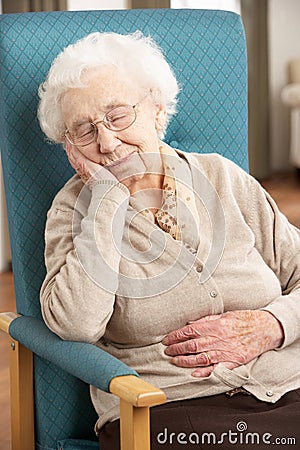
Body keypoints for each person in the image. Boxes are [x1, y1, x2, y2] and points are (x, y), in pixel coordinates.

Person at [38, 31, 300, 449]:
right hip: (167, 409)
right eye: (84, 132)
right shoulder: (72, 210)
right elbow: (76, 323)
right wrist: (106, 201)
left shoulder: (222, 177)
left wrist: (275, 324)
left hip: (286, 388)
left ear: (157, 111)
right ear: (69, 147)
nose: (106, 142)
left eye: (118, 116)